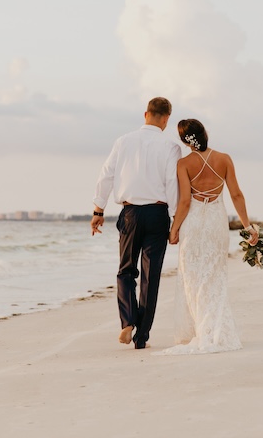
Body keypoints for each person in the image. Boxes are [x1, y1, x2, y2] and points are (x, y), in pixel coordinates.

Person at [155, 118, 258, 355]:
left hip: (193, 224)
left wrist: (174, 229)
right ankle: (216, 330)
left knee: (193, 278)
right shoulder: (224, 159)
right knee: (215, 275)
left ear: (184, 140)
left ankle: (201, 331)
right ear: (205, 133)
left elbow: (184, 201)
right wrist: (248, 226)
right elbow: (237, 195)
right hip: (215, 223)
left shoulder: (183, 164)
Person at [91, 97, 182, 349]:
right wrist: (175, 222)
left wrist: (98, 210)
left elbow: (106, 175)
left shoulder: (123, 141)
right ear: (166, 119)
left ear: (146, 114)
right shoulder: (171, 147)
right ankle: (142, 337)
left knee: (126, 270)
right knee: (150, 278)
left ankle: (127, 321)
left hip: (130, 213)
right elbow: (172, 185)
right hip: (157, 214)